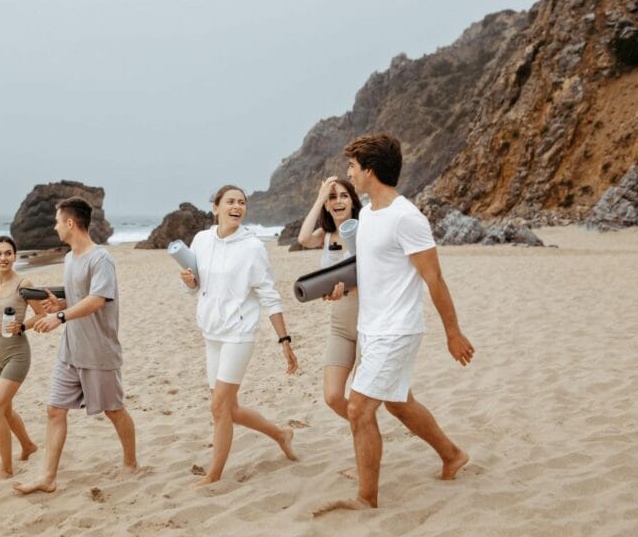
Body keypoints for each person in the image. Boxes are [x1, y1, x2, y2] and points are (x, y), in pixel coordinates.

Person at [313, 134, 474, 516]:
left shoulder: (407, 217)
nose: (349, 173)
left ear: (369, 171)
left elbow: (434, 278)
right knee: (400, 404)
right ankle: (452, 455)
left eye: (353, 167)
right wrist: (340, 289)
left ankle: (366, 498)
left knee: (358, 409)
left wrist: (453, 333)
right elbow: (369, 271)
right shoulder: (366, 215)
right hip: (372, 326)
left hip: (397, 330)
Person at [14, 197, 137, 495]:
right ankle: (48, 477)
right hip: (71, 351)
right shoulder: (70, 258)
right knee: (55, 410)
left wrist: (59, 316)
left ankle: (131, 463)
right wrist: (62, 303)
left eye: (57, 221)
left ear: (70, 223)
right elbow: (81, 298)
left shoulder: (101, 259)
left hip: (98, 351)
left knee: (114, 410)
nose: (55, 227)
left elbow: (97, 301)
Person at [179, 184, 299, 486]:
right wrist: (189, 281)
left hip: (239, 333)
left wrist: (284, 341)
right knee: (229, 408)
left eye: (242, 202)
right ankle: (280, 434)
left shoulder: (253, 247)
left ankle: (213, 475)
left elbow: (269, 295)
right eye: (230, 201)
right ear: (216, 207)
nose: (237, 206)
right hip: (212, 332)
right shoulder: (201, 240)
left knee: (219, 406)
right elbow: (195, 289)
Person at [0, 236, 45, 478]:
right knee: (6, 409)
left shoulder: (24, 283)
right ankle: (28, 446)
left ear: (14, 256)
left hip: (17, 352)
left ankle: (6, 469)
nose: (3, 258)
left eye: (8, 253)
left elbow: (40, 314)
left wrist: (22, 327)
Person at [297, 176, 363, 421]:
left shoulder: (365, 228)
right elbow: (303, 239)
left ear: (353, 201)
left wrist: (347, 289)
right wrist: (319, 198)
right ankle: (366, 426)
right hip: (340, 326)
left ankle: (365, 430)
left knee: (361, 400)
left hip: (369, 321)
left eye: (344, 195)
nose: (338, 201)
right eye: (332, 197)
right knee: (333, 397)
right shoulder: (325, 234)